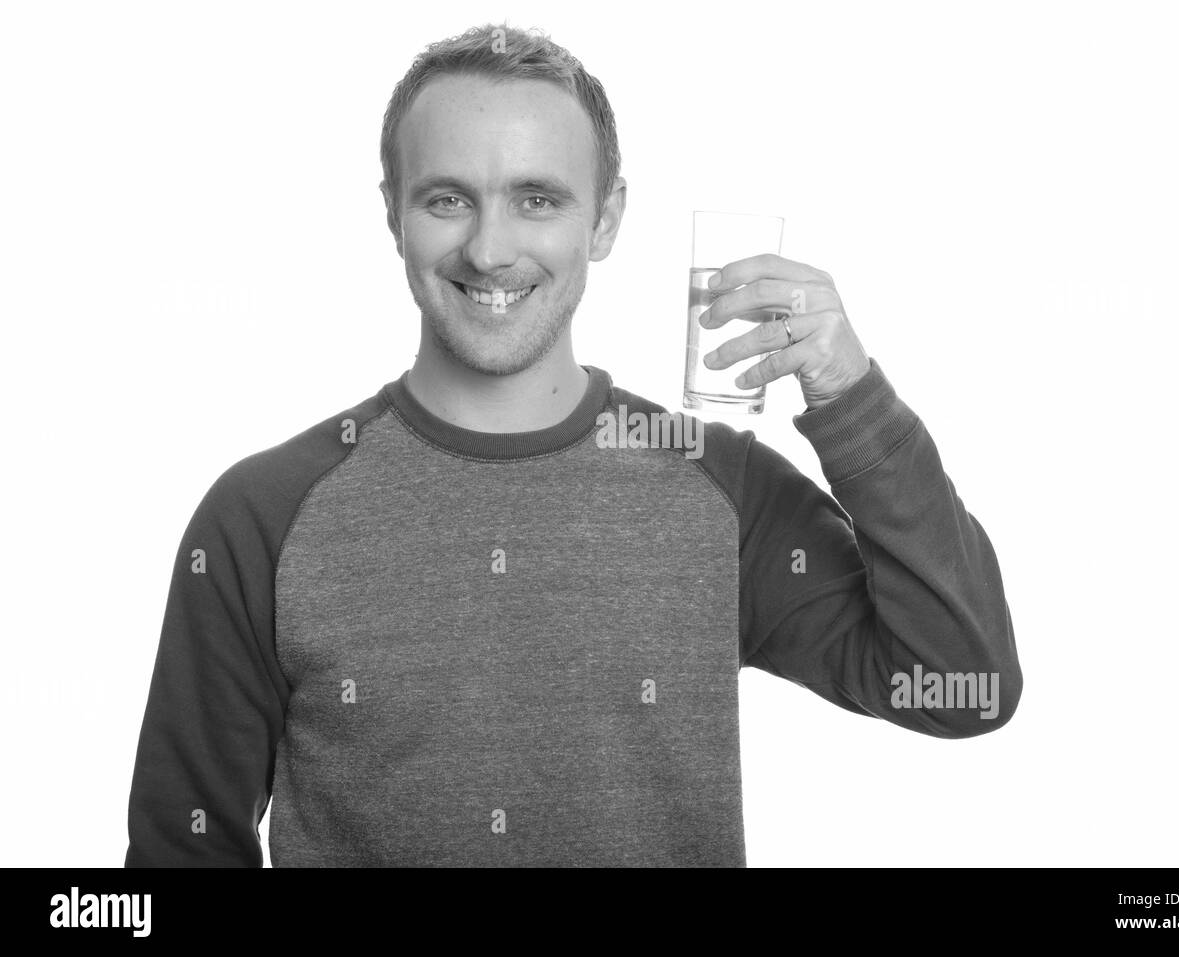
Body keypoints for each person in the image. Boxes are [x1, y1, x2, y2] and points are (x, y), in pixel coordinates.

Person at [124, 22, 1022, 868]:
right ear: (394, 214)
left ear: (604, 220)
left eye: (536, 199)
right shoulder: (263, 516)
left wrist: (852, 398)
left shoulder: (717, 488)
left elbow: (964, 682)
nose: (490, 247)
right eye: (447, 199)